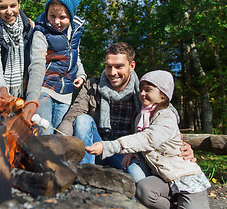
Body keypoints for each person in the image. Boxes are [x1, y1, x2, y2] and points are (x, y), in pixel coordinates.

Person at [57, 42, 195, 183]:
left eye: (119, 66)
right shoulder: (92, 86)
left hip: (126, 152)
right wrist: (57, 144)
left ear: (132, 66)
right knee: (82, 120)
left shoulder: (143, 91)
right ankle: (84, 176)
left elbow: (166, 114)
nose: (112, 72)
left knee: (139, 182)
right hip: (93, 148)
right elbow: (71, 117)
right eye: (108, 66)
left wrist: (182, 145)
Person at [86, 70, 211, 209]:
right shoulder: (141, 117)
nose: (142, 94)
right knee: (144, 189)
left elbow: (149, 138)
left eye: (148, 90)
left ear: (163, 96)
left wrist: (108, 146)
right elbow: (140, 141)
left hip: (184, 177)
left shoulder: (167, 116)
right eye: (141, 90)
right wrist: (132, 152)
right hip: (163, 178)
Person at [23, 0, 87, 133]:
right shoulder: (41, 32)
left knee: (59, 137)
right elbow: (37, 64)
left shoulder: (75, 30)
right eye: (52, 16)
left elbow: (74, 55)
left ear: (70, 16)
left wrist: (81, 74)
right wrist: (32, 98)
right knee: (44, 134)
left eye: (62, 17)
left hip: (65, 93)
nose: (56, 22)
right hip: (44, 89)